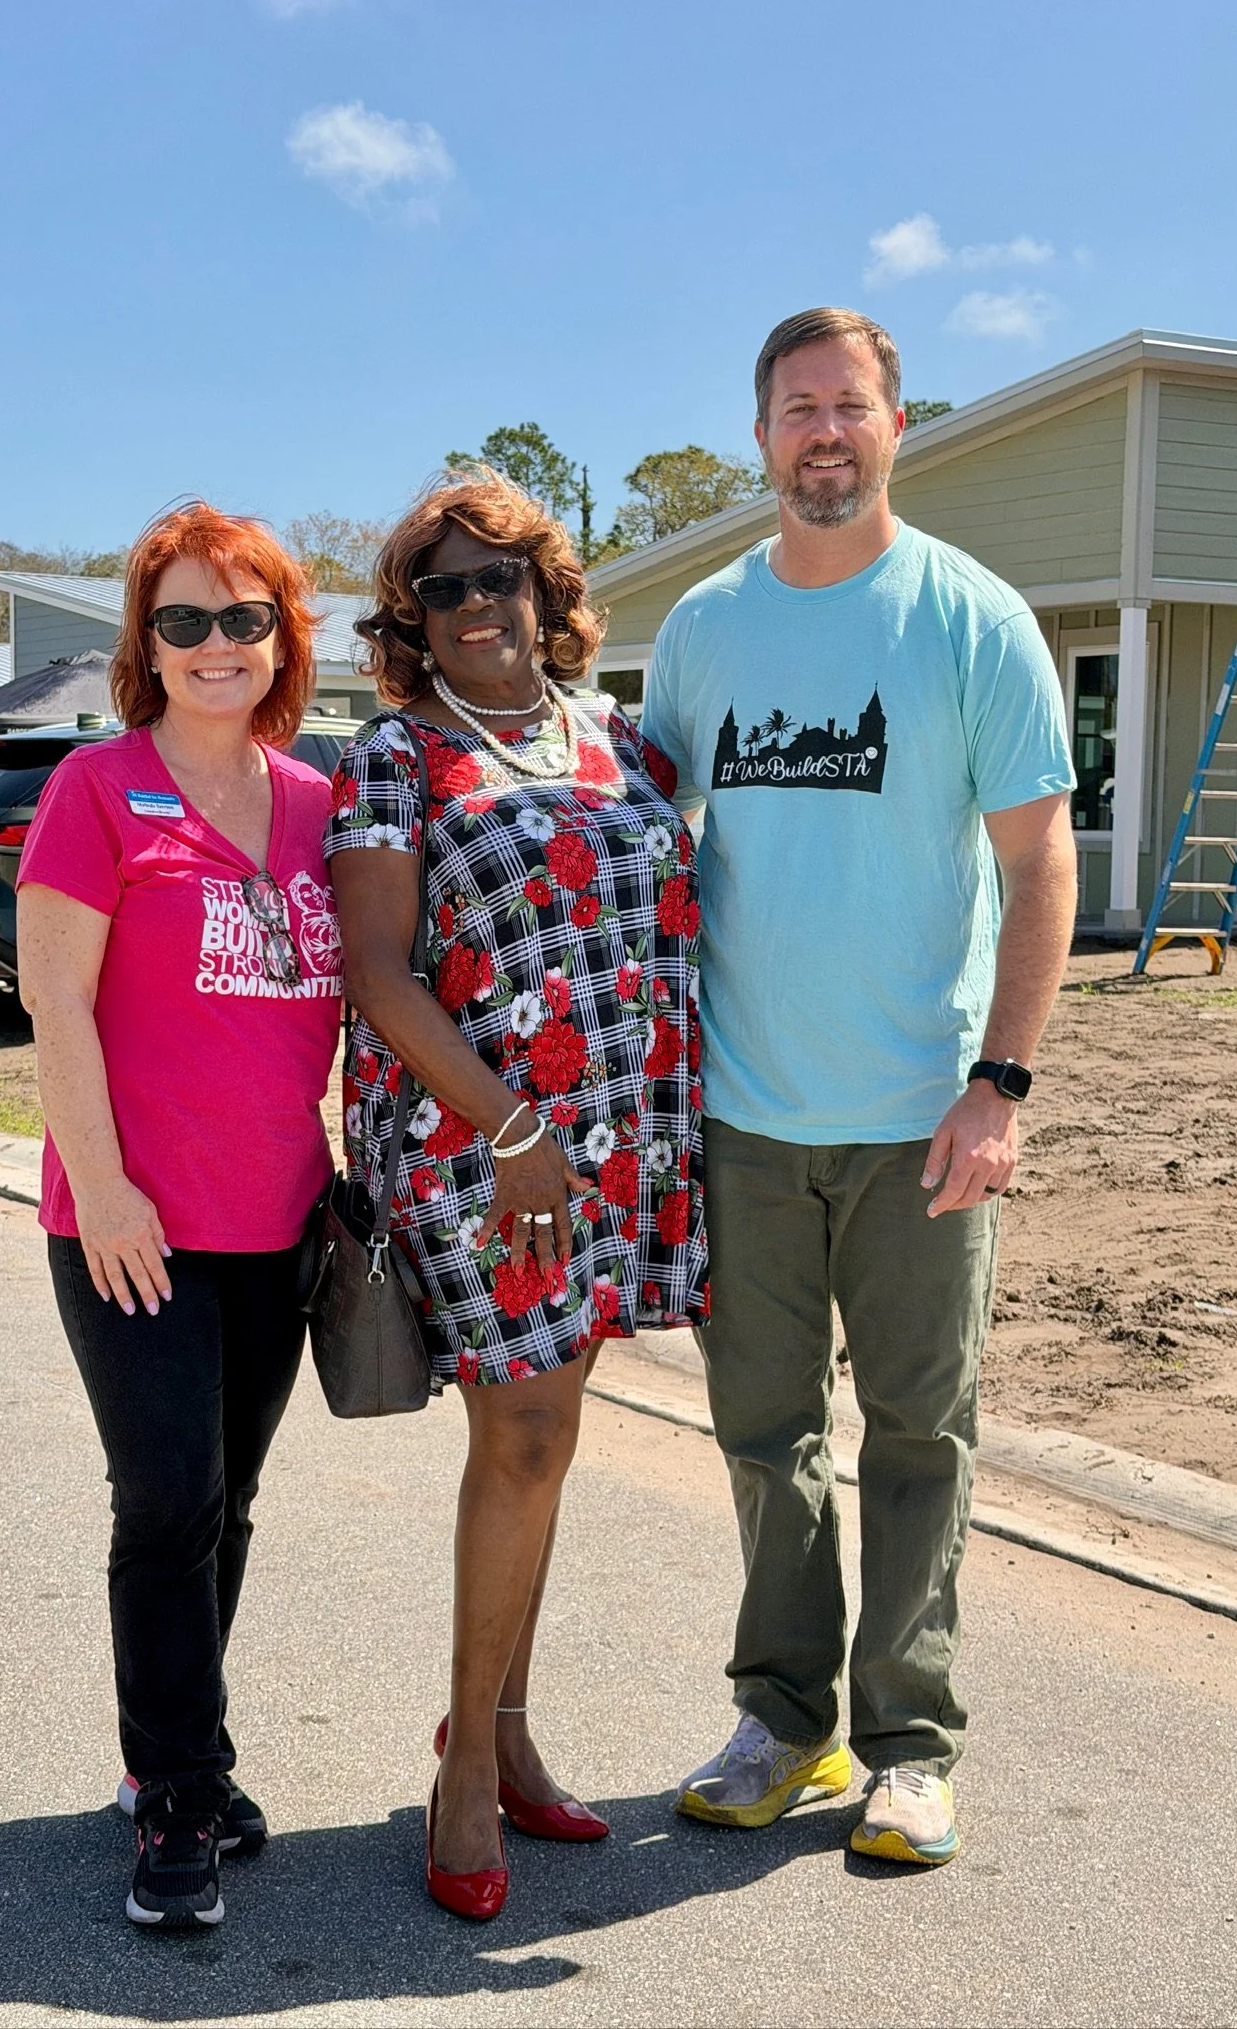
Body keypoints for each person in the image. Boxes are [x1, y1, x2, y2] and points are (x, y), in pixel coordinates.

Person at [642, 308, 1077, 1866]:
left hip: (919, 1127)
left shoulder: (971, 620)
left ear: (899, 427)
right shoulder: (703, 629)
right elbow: (645, 843)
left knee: (917, 1437)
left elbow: (1040, 862)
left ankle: (909, 1740)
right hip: (746, 1120)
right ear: (758, 436)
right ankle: (784, 1722)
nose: (824, 431)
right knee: (765, 1437)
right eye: (796, 407)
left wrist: (999, 1084)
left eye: (851, 405)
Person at [328, 471, 707, 1920]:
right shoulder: (396, 759)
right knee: (528, 1433)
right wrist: (514, 1127)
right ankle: (467, 1776)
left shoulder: (625, 744)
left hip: (623, 1140)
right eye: (445, 587)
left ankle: (500, 1724)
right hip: (483, 1150)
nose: (480, 605)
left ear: (549, 590)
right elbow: (377, 970)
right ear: (412, 621)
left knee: (548, 1443)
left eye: (503, 577)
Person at [17, 503, 341, 1928]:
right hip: (129, 1222)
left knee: (234, 1500)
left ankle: (191, 1749)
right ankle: (172, 1796)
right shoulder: (97, 790)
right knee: (167, 1500)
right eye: (185, 621)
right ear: (146, 646)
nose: (218, 646)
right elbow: (55, 1006)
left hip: (277, 1220)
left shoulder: (326, 807)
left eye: (245, 618)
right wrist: (107, 1192)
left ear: (284, 640)